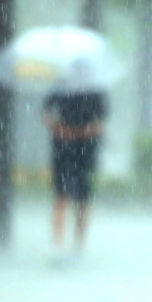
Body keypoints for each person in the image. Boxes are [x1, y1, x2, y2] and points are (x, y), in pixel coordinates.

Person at [43, 89, 107, 260]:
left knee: (83, 199)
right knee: (61, 196)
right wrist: (60, 129)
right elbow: (46, 114)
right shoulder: (60, 88)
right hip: (62, 151)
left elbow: (100, 123)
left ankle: (78, 245)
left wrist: (79, 133)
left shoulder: (95, 91)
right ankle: (57, 244)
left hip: (86, 152)